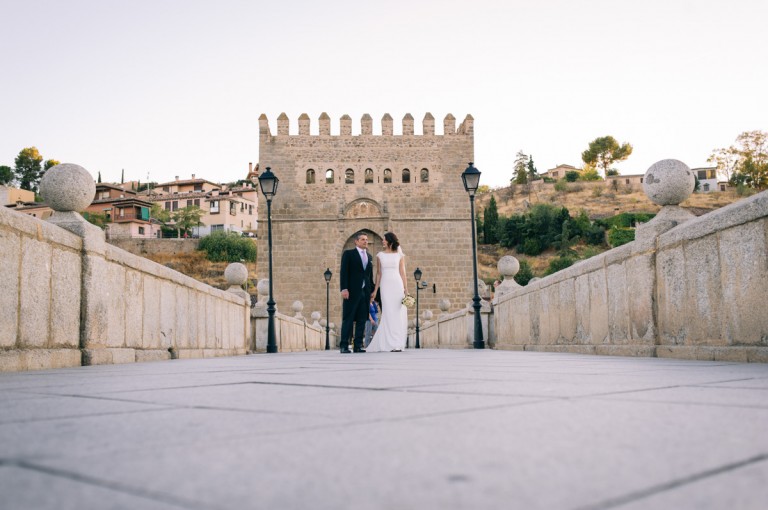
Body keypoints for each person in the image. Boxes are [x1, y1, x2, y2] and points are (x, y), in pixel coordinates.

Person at [367, 232, 408, 352]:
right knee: (388, 312)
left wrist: (406, 289)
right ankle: (388, 342)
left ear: (389, 241)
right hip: (385, 285)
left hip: (397, 284)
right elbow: (378, 274)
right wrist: (375, 290)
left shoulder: (399, 255)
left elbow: (403, 273)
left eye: (384, 240)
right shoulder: (380, 255)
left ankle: (396, 343)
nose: (382, 241)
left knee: (397, 313)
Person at [339, 232, 374, 353]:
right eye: (363, 239)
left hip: (365, 292)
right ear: (356, 241)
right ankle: (344, 345)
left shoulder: (369, 257)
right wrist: (344, 288)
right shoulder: (348, 254)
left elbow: (369, 276)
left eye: (367, 239)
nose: (366, 241)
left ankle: (358, 345)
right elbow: (344, 272)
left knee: (362, 319)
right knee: (348, 318)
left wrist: (372, 291)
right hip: (351, 292)